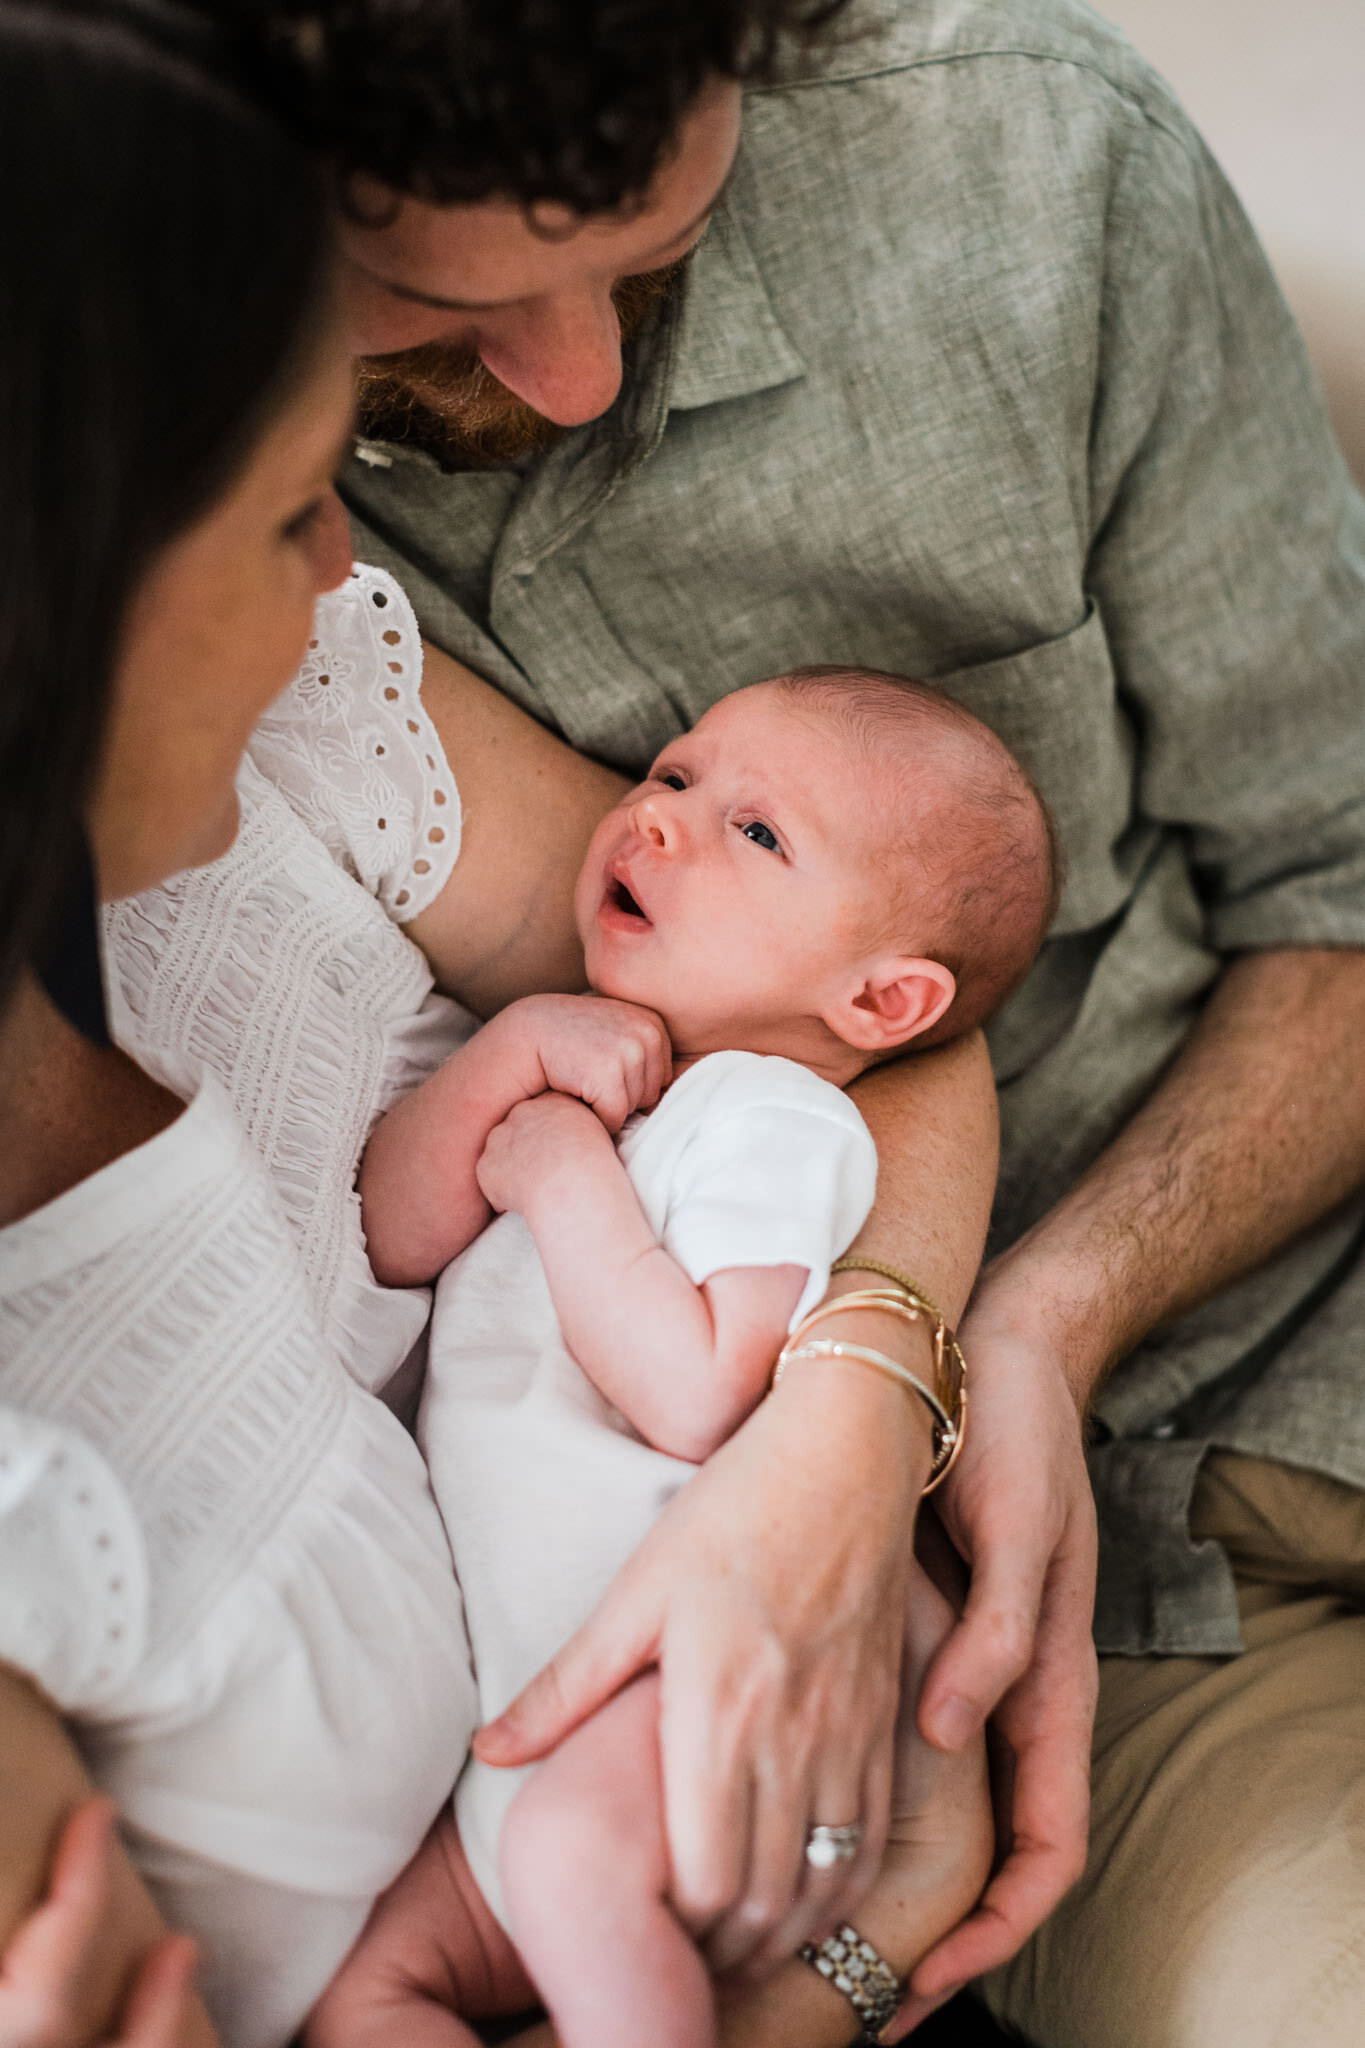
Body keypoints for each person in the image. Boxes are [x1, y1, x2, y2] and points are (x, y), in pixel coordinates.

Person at [203, 0, 1365, 2039]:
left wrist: (1005, 1325)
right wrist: (847, 1963)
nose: (573, 371)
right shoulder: (218, 520)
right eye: (436, 292)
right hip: (1107, 1630)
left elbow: (1338, 880)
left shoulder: (1024, 164)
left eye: (654, 233)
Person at [0, 7, 1003, 2044]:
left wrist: (848, 1418)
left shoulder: (292, 734)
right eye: (295, 505)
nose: (359, 575)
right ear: (57, 584)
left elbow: (858, 1021)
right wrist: (878, 1918)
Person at [310, 668, 1053, 2048]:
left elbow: (701, 1387)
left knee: (571, 1875)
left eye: (756, 833)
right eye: (671, 774)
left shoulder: (772, 1122)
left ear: (882, 1001)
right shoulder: (596, 1072)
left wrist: (559, 1166)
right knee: (360, 1989)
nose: (658, 822)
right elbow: (392, 1234)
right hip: (536, 1722)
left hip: (687, 1694)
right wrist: (509, 1065)